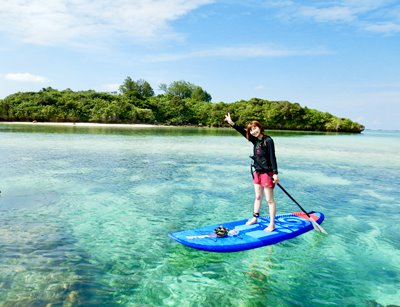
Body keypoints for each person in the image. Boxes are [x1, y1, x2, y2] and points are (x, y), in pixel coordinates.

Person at [224, 113, 279, 232]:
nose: (253, 131)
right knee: (258, 196)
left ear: (259, 127)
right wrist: (232, 123)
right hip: (257, 172)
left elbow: (272, 157)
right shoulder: (255, 141)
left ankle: (272, 224)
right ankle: (255, 218)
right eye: (251, 130)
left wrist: (275, 173)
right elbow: (242, 132)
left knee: (269, 200)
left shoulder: (268, 140)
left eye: (255, 128)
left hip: (267, 173)